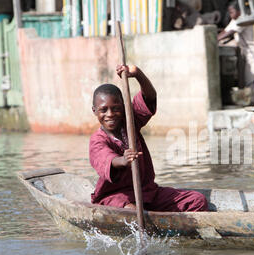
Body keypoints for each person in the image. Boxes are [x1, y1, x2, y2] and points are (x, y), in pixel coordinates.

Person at [89, 64, 208, 212]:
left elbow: (150, 97)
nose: (110, 114)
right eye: (103, 110)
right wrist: (123, 160)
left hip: (147, 192)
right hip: (116, 196)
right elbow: (106, 159)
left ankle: (173, 231)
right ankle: (152, 230)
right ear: (95, 111)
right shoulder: (98, 140)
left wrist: (138, 74)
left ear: (124, 108)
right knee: (132, 212)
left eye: (116, 108)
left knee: (197, 200)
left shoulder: (130, 122)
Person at [217, 1, 254, 105]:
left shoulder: (243, 18)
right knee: (247, 80)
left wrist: (211, 39)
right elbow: (226, 31)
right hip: (246, 54)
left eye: (232, 12)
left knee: (251, 79)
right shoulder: (237, 18)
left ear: (240, 10)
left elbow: (228, 33)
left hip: (253, 55)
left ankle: (253, 101)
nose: (230, 15)